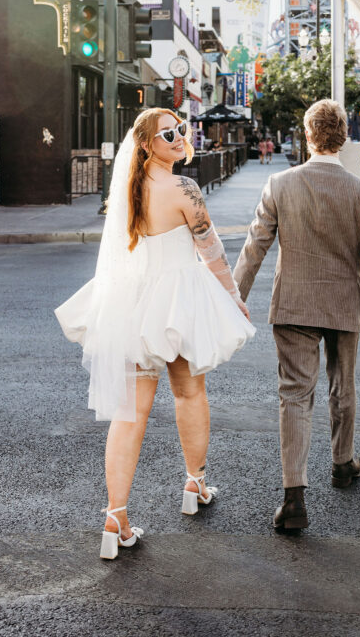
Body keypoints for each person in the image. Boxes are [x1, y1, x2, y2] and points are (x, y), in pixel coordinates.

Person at [55, 109, 255, 559]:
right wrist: (234, 296)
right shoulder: (183, 188)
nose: (179, 136)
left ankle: (115, 517)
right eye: (169, 133)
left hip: (135, 307)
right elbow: (213, 252)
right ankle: (194, 484)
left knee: (130, 414)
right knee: (189, 394)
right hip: (178, 305)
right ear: (147, 144)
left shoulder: (129, 189)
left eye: (181, 128)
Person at [233, 98, 360, 531]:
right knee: (341, 385)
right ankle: (342, 464)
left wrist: (233, 297)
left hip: (292, 303)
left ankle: (294, 498)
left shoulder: (279, 184)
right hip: (344, 303)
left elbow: (255, 247)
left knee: (294, 394)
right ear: (343, 137)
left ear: (307, 135)